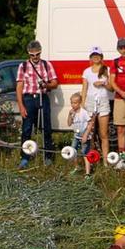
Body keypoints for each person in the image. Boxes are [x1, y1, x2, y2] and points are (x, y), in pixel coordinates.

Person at [16, 40, 59, 168]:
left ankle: (47, 157)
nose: (35, 57)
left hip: (43, 96)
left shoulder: (47, 65)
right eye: (32, 55)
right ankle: (25, 157)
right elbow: (19, 86)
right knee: (27, 129)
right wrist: (21, 106)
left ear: (40, 53)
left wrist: (46, 84)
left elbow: (55, 83)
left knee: (46, 128)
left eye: (37, 54)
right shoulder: (22, 66)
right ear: (29, 54)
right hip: (28, 99)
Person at [81, 47, 112, 159]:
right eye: (93, 55)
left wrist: (103, 84)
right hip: (90, 102)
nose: (95, 57)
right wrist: (82, 104)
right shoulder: (86, 71)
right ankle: (92, 158)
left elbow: (111, 88)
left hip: (103, 102)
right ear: (90, 57)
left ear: (101, 57)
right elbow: (84, 89)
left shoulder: (107, 69)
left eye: (98, 55)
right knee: (91, 134)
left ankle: (105, 161)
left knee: (104, 134)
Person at [67, 92, 92, 175]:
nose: (73, 105)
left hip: (85, 136)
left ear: (80, 103)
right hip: (76, 136)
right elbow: (69, 123)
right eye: (71, 103)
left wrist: (85, 135)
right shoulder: (72, 112)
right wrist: (70, 115)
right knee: (73, 151)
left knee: (85, 153)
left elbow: (90, 123)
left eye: (75, 103)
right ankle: (77, 167)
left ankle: (88, 173)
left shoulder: (84, 112)